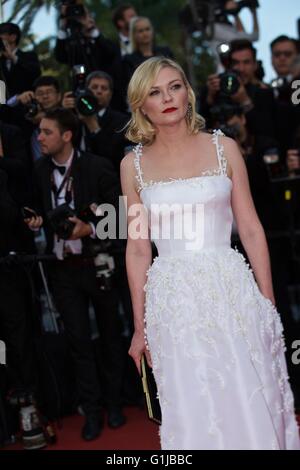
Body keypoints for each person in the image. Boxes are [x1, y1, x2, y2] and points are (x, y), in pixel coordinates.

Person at [120, 56, 300, 450]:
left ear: (189, 92)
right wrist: (139, 325)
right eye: (154, 91)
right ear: (141, 104)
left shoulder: (225, 148)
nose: (167, 97)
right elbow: (137, 247)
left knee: (250, 389)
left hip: (229, 289)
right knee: (194, 400)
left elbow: (251, 228)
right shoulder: (130, 166)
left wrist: (267, 301)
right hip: (172, 303)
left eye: (174, 86)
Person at [24, 108, 126, 440]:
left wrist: (90, 229)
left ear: (67, 135)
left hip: (98, 264)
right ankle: (91, 411)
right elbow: (35, 209)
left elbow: (121, 218)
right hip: (62, 269)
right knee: (78, 342)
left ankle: (114, 405)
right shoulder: (37, 171)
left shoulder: (97, 166)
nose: (39, 138)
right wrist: (37, 220)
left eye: (46, 132)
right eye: (39, 132)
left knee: (111, 336)